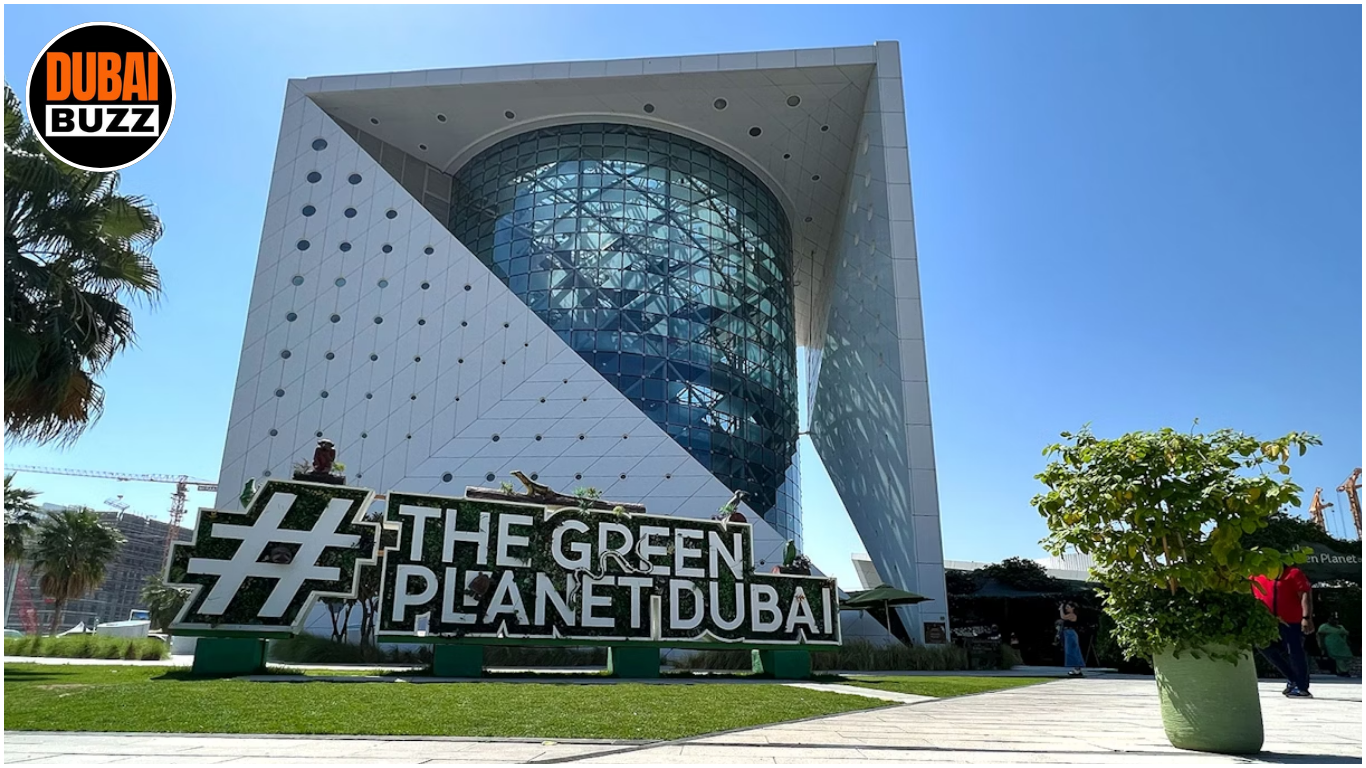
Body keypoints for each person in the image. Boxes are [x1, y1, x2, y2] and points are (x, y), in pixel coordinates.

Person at [1250, 565, 1314, 698]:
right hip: (1267, 622)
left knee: (1295, 652)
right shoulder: (1256, 574)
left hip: (1292, 621)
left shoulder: (1293, 573)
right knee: (1264, 648)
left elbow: (1305, 594)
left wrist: (1306, 617)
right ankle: (1292, 678)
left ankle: (1302, 687)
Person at [1058, 601, 1084, 677]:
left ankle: (1077, 669)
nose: (1066, 609)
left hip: (1071, 633)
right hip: (1067, 633)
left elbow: (1063, 617)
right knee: (1070, 651)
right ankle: (1076, 669)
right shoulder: (1069, 614)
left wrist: (1061, 609)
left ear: (1073, 608)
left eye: (1068, 607)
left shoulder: (1072, 615)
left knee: (1073, 651)